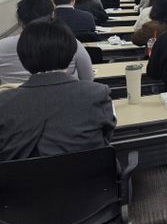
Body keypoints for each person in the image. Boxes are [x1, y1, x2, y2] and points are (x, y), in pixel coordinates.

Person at [0, 17, 115, 161]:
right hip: (89, 174)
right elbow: (106, 136)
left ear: (22, 57)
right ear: (72, 52)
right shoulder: (97, 94)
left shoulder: (4, 104)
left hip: (21, 176)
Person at [0, 0, 93, 84]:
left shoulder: (2, 47)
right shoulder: (69, 42)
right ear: (53, 15)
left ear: (20, 21)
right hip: (66, 92)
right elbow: (88, 79)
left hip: (12, 93)